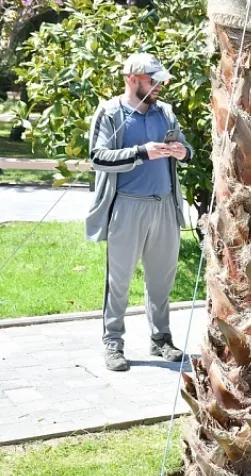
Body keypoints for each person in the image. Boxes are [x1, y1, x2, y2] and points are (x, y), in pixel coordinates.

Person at [86, 53, 193, 372]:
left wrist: (181, 151)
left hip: (164, 206)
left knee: (162, 280)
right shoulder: (110, 112)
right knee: (118, 281)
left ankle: (161, 339)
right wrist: (140, 153)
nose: (159, 85)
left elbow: (187, 152)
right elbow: (98, 157)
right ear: (132, 79)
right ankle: (113, 343)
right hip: (127, 206)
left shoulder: (167, 113)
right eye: (152, 80)